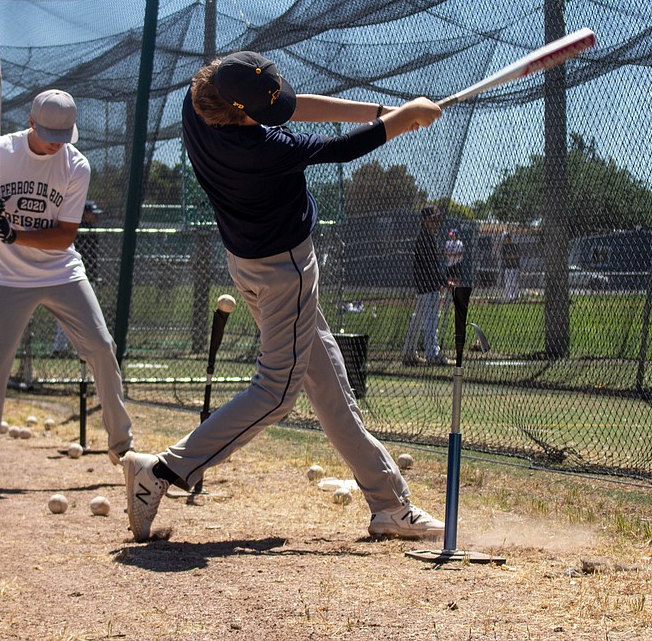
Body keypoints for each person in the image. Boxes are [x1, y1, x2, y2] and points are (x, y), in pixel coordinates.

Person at [123, 51, 445, 542]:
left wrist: (378, 110)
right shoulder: (261, 149)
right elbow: (340, 151)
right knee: (276, 393)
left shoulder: (199, 101)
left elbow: (291, 108)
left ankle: (389, 505)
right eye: (265, 111)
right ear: (243, 114)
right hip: (286, 273)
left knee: (330, 387)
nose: (278, 113)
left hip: (248, 264)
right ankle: (164, 471)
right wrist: (399, 122)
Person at [0, 89, 134, 489]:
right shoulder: (1, 151)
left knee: (102, 349)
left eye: (63, 135)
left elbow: (64, 237)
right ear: (32, 124)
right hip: (9, 278)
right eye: (49, 133)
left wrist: (14, 233)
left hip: (61, 273)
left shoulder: (76, 165)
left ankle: (124, 448)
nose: (55, 143)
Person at [51, 199, 102, 356]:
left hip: (88, 277)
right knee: (73, 314)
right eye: (91, 214)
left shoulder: (90, 230)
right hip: (76, 278)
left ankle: (69, 347)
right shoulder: (78, 231)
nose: (95, 217)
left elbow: (93, 257)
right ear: (84, 214)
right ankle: (61, 348)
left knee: (83, 316)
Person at [401, 205, 446, 366]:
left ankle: (408, 352)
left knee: (418, 319)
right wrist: (442, 281)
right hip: (428, 286)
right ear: (426, 221)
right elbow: (431, 265)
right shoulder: (425, 238)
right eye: (433, 219)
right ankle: (432, 354)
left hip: (424, 286)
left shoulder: (427, 237)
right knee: (431, 321)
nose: (436, 223)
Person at [501, 232, 521, 302]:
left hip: (515, 267)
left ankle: (515, 297)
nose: (507, 239)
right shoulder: (504, 246)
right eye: (506, 238)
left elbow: (518, 255)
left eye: (509, 238)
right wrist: (510, 256)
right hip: (507, 267)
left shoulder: (514, 246)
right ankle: (508, 297)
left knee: (514, 283)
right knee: (507, 283)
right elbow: (503, 256)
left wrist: (511, 256)